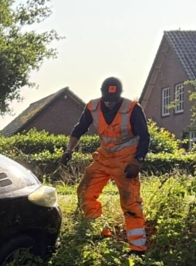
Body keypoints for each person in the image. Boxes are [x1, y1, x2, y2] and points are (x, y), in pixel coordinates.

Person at [60, 77, 151, 254]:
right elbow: (79, 128)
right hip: (103, 158)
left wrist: (137, 161)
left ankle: (138, 248)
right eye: (107, 99)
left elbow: (145, 137)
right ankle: (100, 232)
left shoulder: (132, 108)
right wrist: (68, 150)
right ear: (102, 94)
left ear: (119, 96)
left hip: (126, 162)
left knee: (130, 202)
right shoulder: (92, 107)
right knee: (85, 193)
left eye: (113, 100)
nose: (110, 103)